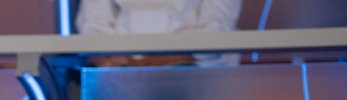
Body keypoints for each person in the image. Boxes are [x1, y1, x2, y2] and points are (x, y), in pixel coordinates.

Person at [76, 0, 242, 67]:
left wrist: (146, 65)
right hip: (117, 80)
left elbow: (215, 29)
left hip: (195, 79)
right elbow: (93, 26)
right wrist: (115, 63)